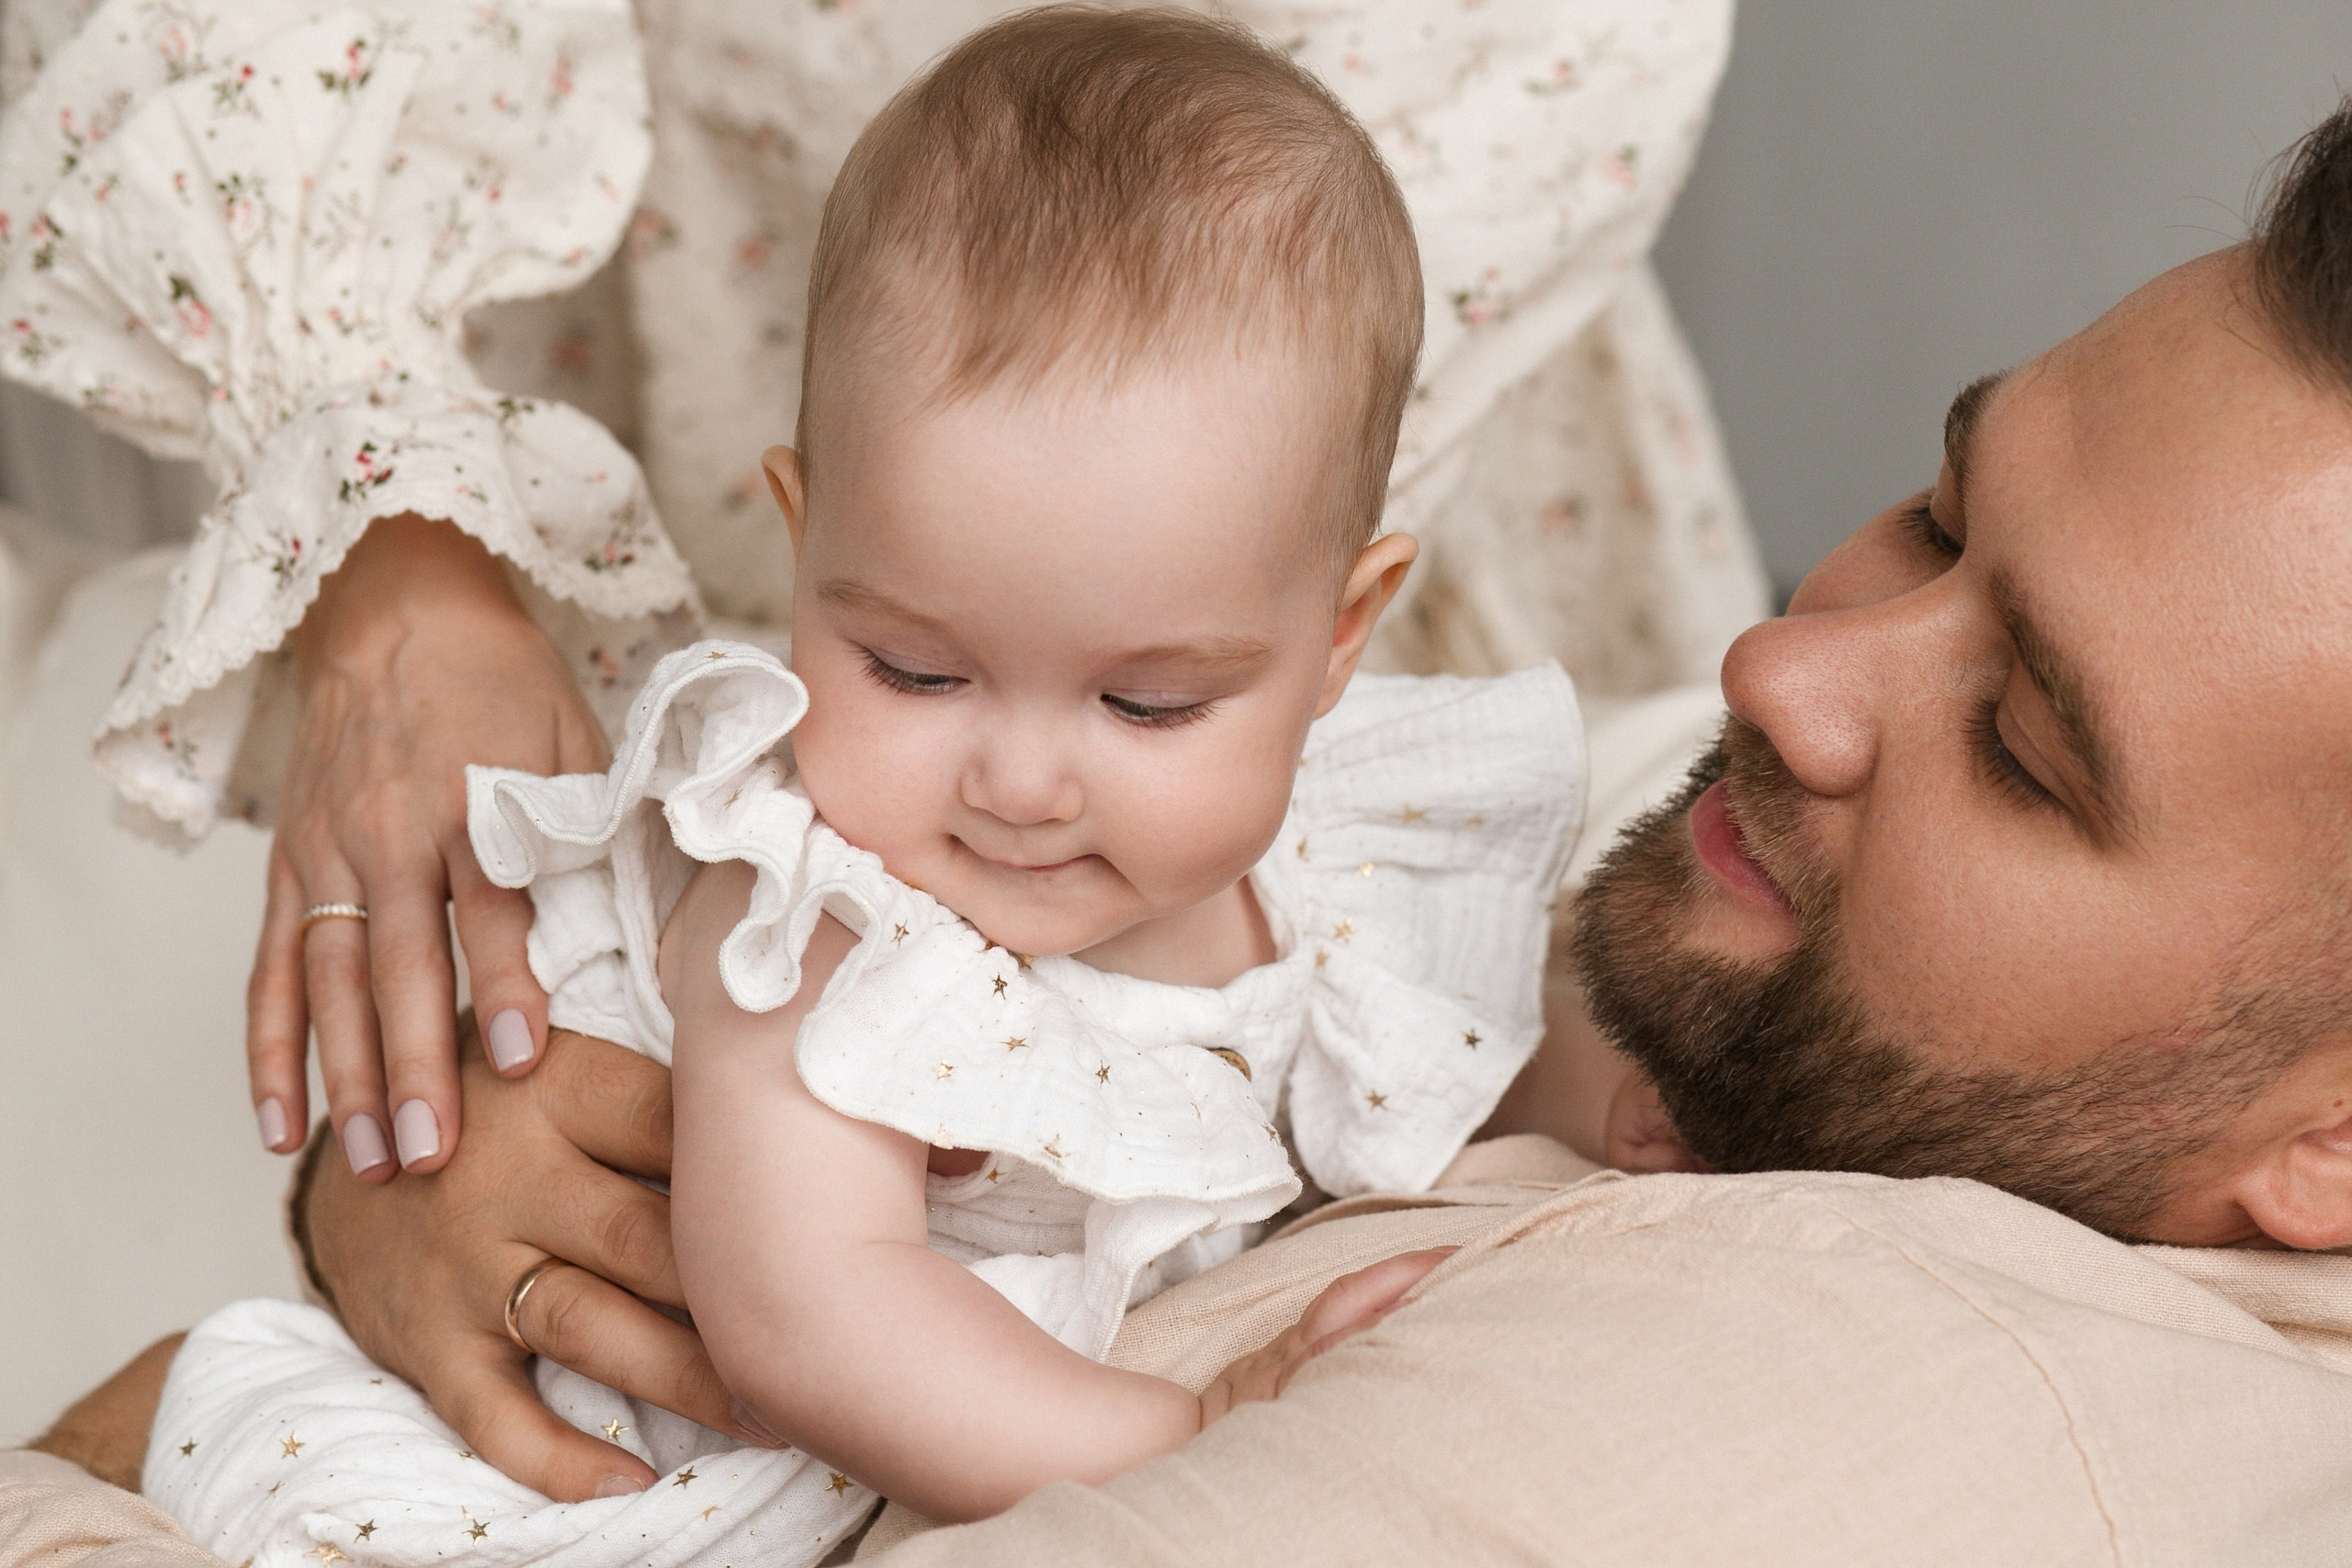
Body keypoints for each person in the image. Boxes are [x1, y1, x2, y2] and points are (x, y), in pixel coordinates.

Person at [137, 12, 1581, 1562]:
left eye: (1148, 703)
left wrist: (1613, 1109)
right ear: (804, 539)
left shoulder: (1335, 863)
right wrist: (1185, 1443)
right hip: (599, 1475)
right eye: (912, 670)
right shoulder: (808, 904)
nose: (1019, 785)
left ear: (1343, 636)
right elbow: (806, 1309)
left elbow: (1444, 1092)